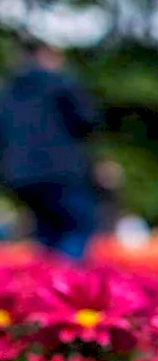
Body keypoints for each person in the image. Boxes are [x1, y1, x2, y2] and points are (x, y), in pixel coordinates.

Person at [0, 39, 100, 261]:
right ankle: (64, 282)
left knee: (46, 232)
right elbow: (87, 122)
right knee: (78, 226)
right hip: (62, 170)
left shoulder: (7, 90)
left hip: (21, 175)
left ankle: (44, 284)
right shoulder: (61, 83)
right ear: (45, 55)